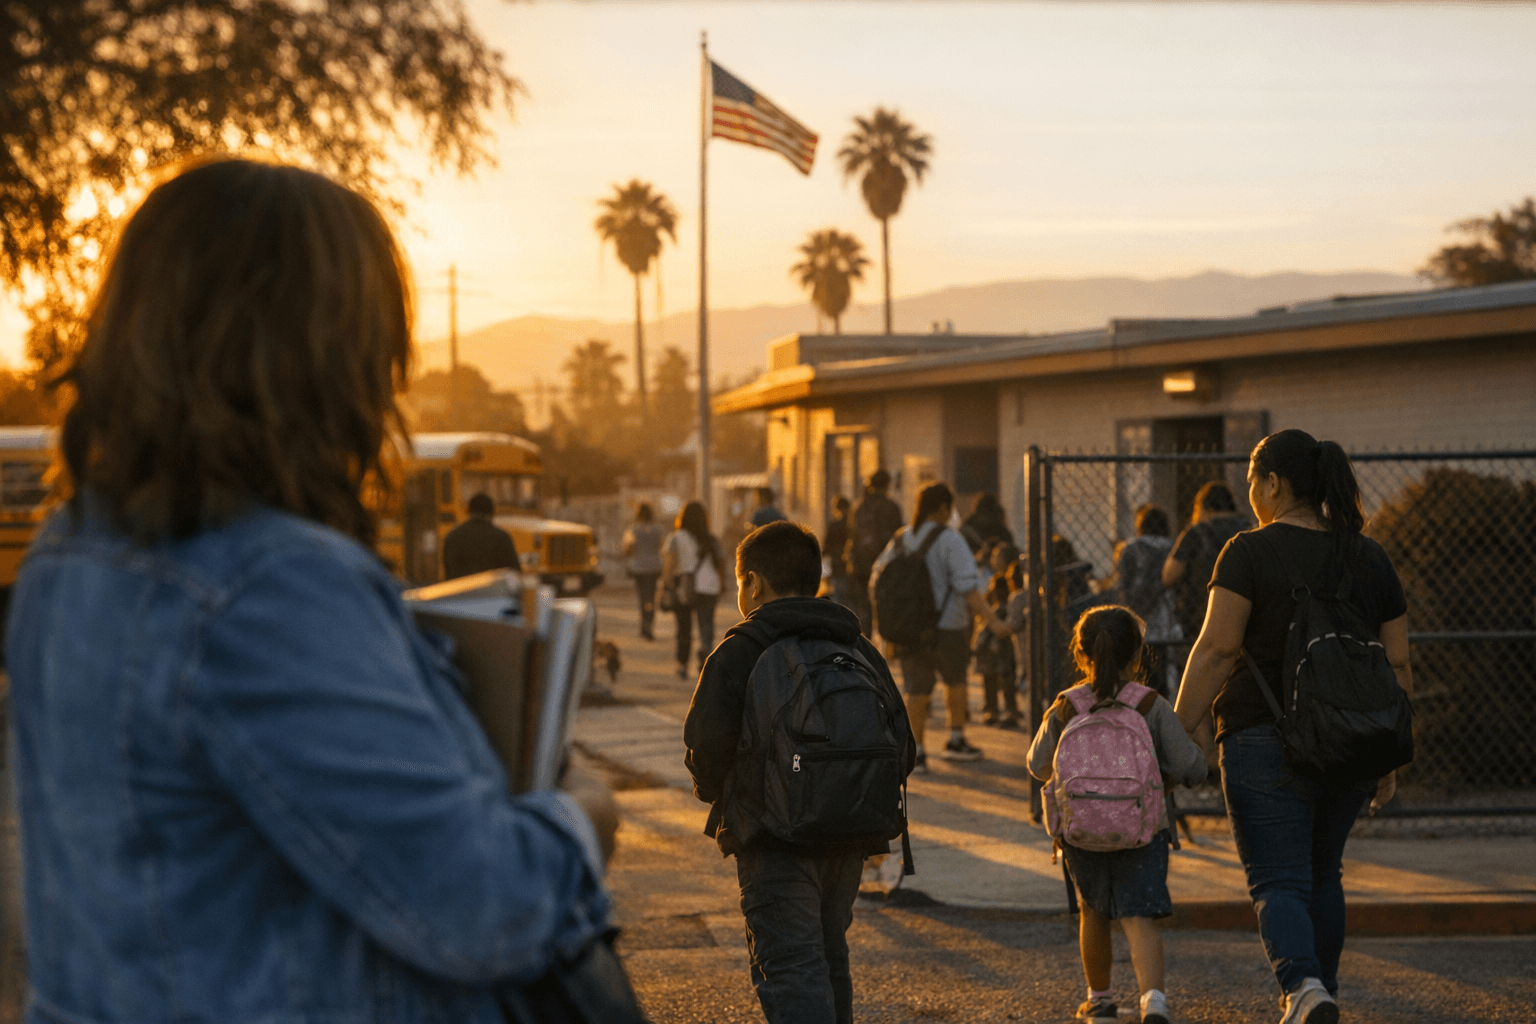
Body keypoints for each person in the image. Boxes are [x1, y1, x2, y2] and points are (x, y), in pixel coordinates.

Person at [3, 158, 618, 1024]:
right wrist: (583, 813)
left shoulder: (67, 559)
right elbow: (487, 906)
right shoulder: (272, 586)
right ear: (328, 360)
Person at [1174, 429, 1412, 1024]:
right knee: (1322, 873)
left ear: (1273, 484)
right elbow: (1399, 660)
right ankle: (1320, 990)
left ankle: (1304, 988)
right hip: (1353, 739)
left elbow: (1216, 651)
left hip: (1261, 737)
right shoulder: (1369, 555)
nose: (1250, 493)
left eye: (1253, 482)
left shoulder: (1247, 552)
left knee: (1277, 879)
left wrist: (1177, 732)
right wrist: (1393, 752)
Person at [683, 521, 910, 1024]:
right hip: (851, 836)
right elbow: (903, 743)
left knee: (790, 964)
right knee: (829, 957)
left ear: (754, 583)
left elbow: (705, 749)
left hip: (773, 838)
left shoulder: (742, 649)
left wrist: (728, 797)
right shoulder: (857, 646)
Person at [1027, 606, 1207, 1024]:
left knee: (1094, 912)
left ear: (1080, 653)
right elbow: (1190, 766)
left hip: (1080, 831)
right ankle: (1154, 1002)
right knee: (1138, 915)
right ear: (1137, 656)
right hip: (1143, 829)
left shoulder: (1067, 706)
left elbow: (1037, 764)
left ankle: (1100, 1000)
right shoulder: (1150, 706)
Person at [871, 481, 1011, 770]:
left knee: (916, 690)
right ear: (944, 508)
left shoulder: (900, 539)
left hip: (909, 630)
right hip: (948, 626)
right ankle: (956, 740)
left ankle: (917, 750)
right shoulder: (951, 539)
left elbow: (877, 580)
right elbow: (968, 588)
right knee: (955, 681)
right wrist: (994, 622)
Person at [1163, 480, 1249, 641]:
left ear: (1203, 507)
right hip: (1243, 615)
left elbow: (1169, 575)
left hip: (1200, 616)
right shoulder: (1250, 529)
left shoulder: (1196, 532)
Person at [1114, 504, 1182, 696]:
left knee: (1141, 668)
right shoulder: (1173, 546)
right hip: (1165, 616)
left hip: (1137, 616)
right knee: (1165, 666)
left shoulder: (1130, 547)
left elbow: (1123, 584)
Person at [661, 499, 726, 678]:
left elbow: (670, 564)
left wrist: (664, 586)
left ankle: (682, 665)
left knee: (684, 628)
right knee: (706, 625)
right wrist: (722, 585)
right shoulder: (711, 538)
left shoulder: (676, 537)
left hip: (685, 586)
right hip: (710, 585)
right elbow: (721, 562)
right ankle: (705, 654)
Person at [847, 469, 904, 635]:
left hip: (860, 566)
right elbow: (898, 539)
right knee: (884, 607)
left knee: (863, 608)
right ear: (888, 485)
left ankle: (864, 642)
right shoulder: (892, 507)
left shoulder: (859, 507)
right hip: (885, 566)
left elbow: (852, 536)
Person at [974, 541, 1022, 728]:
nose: (994, 559)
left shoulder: (1014, 578)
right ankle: (991, 707)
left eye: (997, 556)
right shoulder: (990, 578)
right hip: (991, 635)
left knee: (1006, 675)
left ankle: (1010, 707)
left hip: (1006, 636)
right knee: (990, 675)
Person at [442, 491, 519, 579]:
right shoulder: (502, 538)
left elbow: (449, 573)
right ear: (491, 513)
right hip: (493, 592)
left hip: (462, 591)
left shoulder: (452, 537)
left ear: (469, 512)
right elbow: (514, 573)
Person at [622, 502, 665, 640]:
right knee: (651, 597)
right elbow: (661, 547)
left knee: (642, 598)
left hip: (639, 567)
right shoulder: (658, 530)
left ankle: (644, 626)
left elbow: (628, 550)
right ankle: (649, 625)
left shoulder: (633, 530)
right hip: (654, 567)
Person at [823, 494, 856, 610]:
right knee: (852, 598)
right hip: (853, 567)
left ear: (836, 508)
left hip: (837, 566)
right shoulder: (854, 524)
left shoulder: (834, 525)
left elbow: (826, 548)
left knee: (839, 597)